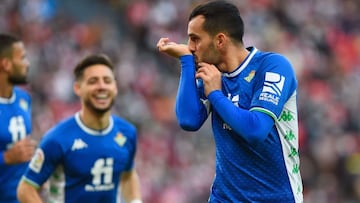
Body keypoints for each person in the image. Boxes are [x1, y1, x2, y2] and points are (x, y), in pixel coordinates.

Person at [157, 1, 303, 202]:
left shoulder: (272, 66)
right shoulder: (212, 74)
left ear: (220, 41)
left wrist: (216, 94)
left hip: (275, 197)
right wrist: (186, 62)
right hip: (224, 198)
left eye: (195, 39)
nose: (189, 47)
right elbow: (189, 120)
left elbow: (255, 130)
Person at [17, 54, 142, 203]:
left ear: (115, 87)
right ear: (78, 88)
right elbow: (26, 188)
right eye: (93, 81)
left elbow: (128, 175)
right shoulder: (57, 139)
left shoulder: (127, 133)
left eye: (107, 81)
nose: (101, 86)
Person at [0, 33, 36, 203]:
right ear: (6, 64)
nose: (27, 64)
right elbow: (11, 155)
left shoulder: (24, 99)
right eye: (22, 58)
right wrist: (5, 158)